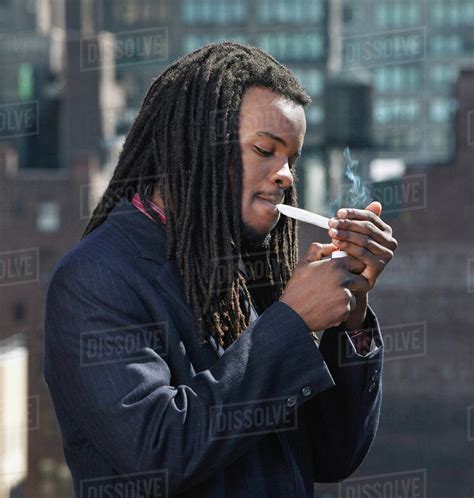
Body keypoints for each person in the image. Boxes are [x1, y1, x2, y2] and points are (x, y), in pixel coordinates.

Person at [43, 41, 397, 498]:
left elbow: (331, 455)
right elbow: (160, 450)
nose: (286, 174)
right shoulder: (94, 279)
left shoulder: (245, 269)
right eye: (265, 149)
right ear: (196, 144)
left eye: (291, 157)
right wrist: (291, 322)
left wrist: (351, 314)